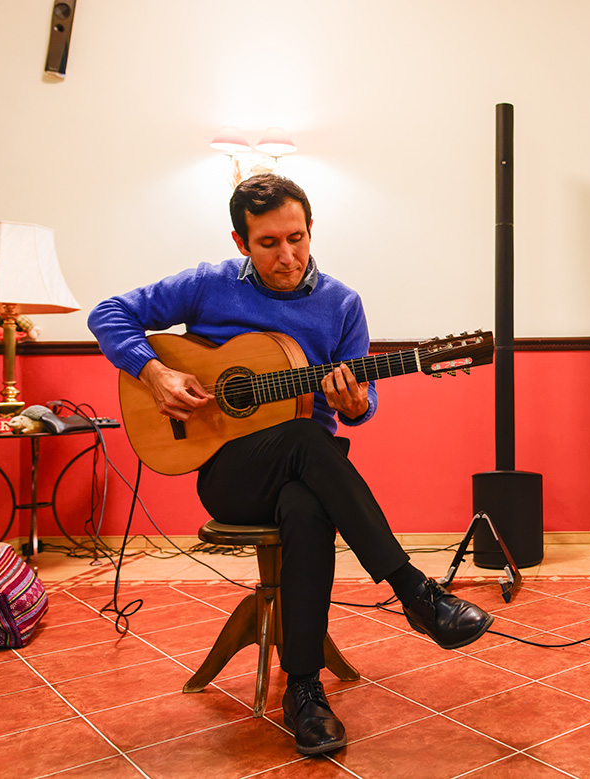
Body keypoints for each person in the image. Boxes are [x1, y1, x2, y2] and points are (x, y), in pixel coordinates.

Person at [88, 174, 494, 755]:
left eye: (297, 238)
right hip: (229, 473)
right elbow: (108, 312)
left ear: (311, 230)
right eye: (269, 243)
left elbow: (357, 405)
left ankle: (304, 691)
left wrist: (358, 404)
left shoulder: (341, 303)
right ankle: (416, 593)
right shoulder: (207, 285)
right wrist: (155, 371)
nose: (288, 256)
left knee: (307, 503)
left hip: (307, 469)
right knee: (306, 438)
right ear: (240, 241)